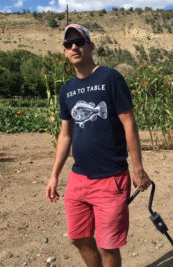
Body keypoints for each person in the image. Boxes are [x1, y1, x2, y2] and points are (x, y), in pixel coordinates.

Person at [46, 23, 151, 267]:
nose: (73, 47)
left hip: (111, 178)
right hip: (78, 178)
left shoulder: (110, 78)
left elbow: (129, 124)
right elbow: (65, 135)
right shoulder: (67, 90)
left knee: (107, 245)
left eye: (79, 42)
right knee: (78, 237)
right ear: (64, 52)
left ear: (90, 46)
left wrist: (138, 169)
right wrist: (54, 176)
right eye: (68, 44)